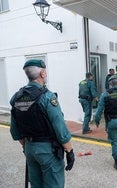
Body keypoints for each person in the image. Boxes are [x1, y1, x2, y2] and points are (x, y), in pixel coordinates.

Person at [10, 59, 75, 187]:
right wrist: (70, 151)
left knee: (36, 185)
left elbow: (15, 130)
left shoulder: (16, 97)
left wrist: (26, 146)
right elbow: (60, 129)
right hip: (48, 150)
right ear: (43, 73)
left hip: (29, 148)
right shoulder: (47, 97)